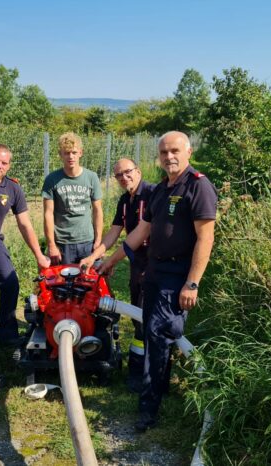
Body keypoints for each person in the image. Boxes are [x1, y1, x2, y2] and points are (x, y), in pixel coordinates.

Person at [96, 131, 217, 432]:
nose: (169, 157)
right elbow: (139, 233)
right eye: (163, 152)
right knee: (155, 334)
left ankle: (147, 409)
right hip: (154, 272)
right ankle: (160, 389)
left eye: (175, 150)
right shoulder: (160, 190)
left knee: (158, 334)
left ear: (188, 151)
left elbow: (206, 237)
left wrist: (192, 283)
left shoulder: (198, 186)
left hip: (177, 276)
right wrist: (109, 262)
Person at [79, 158, 155, 393]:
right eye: (119, 175)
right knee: (137, 314)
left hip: (155, 262)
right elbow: (114, 233)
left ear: (138, 171)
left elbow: (137, 237)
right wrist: (95, 256)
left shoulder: (153, 194)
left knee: (150, 315)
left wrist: (111, 260)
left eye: (127, 172)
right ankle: (138, 369)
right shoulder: (125, 201)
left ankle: (150, 375)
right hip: (137, 263)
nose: (124, 178)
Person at [0, 144, 51, 347]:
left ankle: (8, 334)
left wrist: (39, 255)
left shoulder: (13, 188)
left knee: (10, 282)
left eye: (4, 163)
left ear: (9, 166)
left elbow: (24, 224)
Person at [42, 132, 103, 265]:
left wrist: (98, 241)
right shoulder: (52, 180)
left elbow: (97, 210)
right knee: (63, 282)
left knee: (92, 281)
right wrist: (51, 244)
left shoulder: (91, 178)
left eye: (74, 152)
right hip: (63, 243)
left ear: (81, 153)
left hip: (87, 240)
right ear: (60, 154)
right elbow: (48, 213)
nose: (71, 156)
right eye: (66, 153)